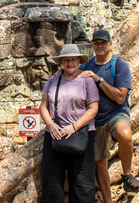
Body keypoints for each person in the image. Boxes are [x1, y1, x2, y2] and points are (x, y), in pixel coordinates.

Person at [80, 29, 139, 201]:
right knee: (100, 163)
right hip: (95, 119)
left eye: (103, 42)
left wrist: (98, 79)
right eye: (97, 43)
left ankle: (127, 176)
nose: (100, 46)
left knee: (125, 135)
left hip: (115, 114)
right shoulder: (86, 67)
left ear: (110, 44)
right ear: (92, 45)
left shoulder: (119, 66)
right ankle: (108, 200)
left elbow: (120, 97)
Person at [40, 44, 100, 203]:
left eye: (73, 59)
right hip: (55, 134)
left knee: (82, 183)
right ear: (61, 62)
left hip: (81, 134)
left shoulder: (86, 80)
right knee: (51, 182)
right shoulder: (53, 80)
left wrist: (73, 127)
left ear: (79, 60)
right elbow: (43, 106)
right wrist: (50, 125)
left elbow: (93, 108)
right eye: (66, 60)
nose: (70, 63)